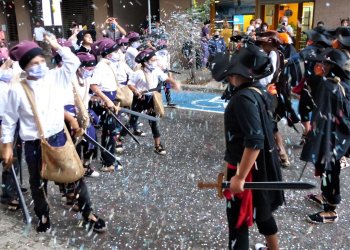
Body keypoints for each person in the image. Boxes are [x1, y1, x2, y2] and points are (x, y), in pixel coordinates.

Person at [1, 36, 106, 233]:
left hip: (59, 136)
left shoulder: (54, 77)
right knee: (38, 183)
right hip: (34, 143)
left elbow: (73, 62)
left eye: (42, 61)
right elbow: (9, 120)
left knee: (76, 175)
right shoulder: (16, 89)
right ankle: (43, 215)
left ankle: (88, 213)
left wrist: (58, 47)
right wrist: (7, 146)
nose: (40, 66)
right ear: (25, 67)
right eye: (34, 63)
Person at [210, 45, 284, 250]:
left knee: (238, 222)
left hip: (246, 168)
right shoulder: (257, 91)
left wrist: (239, 176)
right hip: (260, 166)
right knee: (263, 213)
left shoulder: (243, 98)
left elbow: (255, 140)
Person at [300, 48, 350, 224]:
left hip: (331, 137)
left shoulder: (328, 86)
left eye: (325, 63)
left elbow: (319, 110)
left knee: (330, 171)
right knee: (329, 170)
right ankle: (325, 197)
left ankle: (331, 211)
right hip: (339, 135)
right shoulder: (343, 83)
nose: (321, 64)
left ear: (332, 66)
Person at [116, 49, 181, 155]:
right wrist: (136, 91)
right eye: (153, 59)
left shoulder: (157, 71)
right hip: (140, 99)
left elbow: (166, 79)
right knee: (132, 122)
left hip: (151, 99)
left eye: (155, 59)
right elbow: (130, 84)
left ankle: (158, 145)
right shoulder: (138, 73)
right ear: (146, 62)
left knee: (153, 122)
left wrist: (175, 83)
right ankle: (118, 140)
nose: (155, 61)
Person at [256, 31, 292, 167]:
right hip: (270, 93)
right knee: (270, 124)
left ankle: (277, 154)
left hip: (267, 93)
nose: (261, 45)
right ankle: (281, 154)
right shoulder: (275, 54)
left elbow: (266, 78)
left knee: (269, 124)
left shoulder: (271, 55)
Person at [89, 38, 123, 172]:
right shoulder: (101, 67)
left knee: (112, 131)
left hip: (112, 100)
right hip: (105, 102)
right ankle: (107, 162)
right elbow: (93, 85)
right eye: (115, 51)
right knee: (108, 131)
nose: (117, 53)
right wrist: (106, 100)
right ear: (108, 53)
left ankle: (110, 158)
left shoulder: (109, 64)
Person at [155, 39, 177, 107]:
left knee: (167, 88)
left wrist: (170, 74)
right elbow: (155, 63)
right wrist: (159, 67)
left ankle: (169, 102)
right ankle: (157, 101)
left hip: (166, 72)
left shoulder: (167, 54)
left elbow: (168, 64)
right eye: (163, 46)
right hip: (159, 73)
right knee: (158, 88)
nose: (164, 48)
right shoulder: (156, 54)